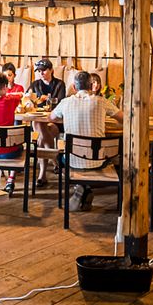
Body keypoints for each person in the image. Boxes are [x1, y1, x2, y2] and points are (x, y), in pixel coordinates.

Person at [51, 71, 122, 210]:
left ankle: (81, 187)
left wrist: (67, 116)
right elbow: (123, 118)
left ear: (74, 87)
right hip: (98, 161)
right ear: (91, 85)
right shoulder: (101, 101)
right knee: (111, 156)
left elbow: (50, 118)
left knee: (61, 156)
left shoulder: (66, 102)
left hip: (72, 161)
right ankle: (84, 188)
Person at [30, 59, 66, 185]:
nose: (41, 73)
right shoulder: (35, 84)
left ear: (51, 70)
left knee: (40, 133)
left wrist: (49, 99)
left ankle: (43, 174)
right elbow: (27, 100)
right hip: (39, 121)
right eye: (39, 71)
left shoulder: (60, 84)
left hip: (55, 122)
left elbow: (61, 103)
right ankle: (53, 161)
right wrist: (38, 100)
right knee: (39, 126)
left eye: (44, 70)